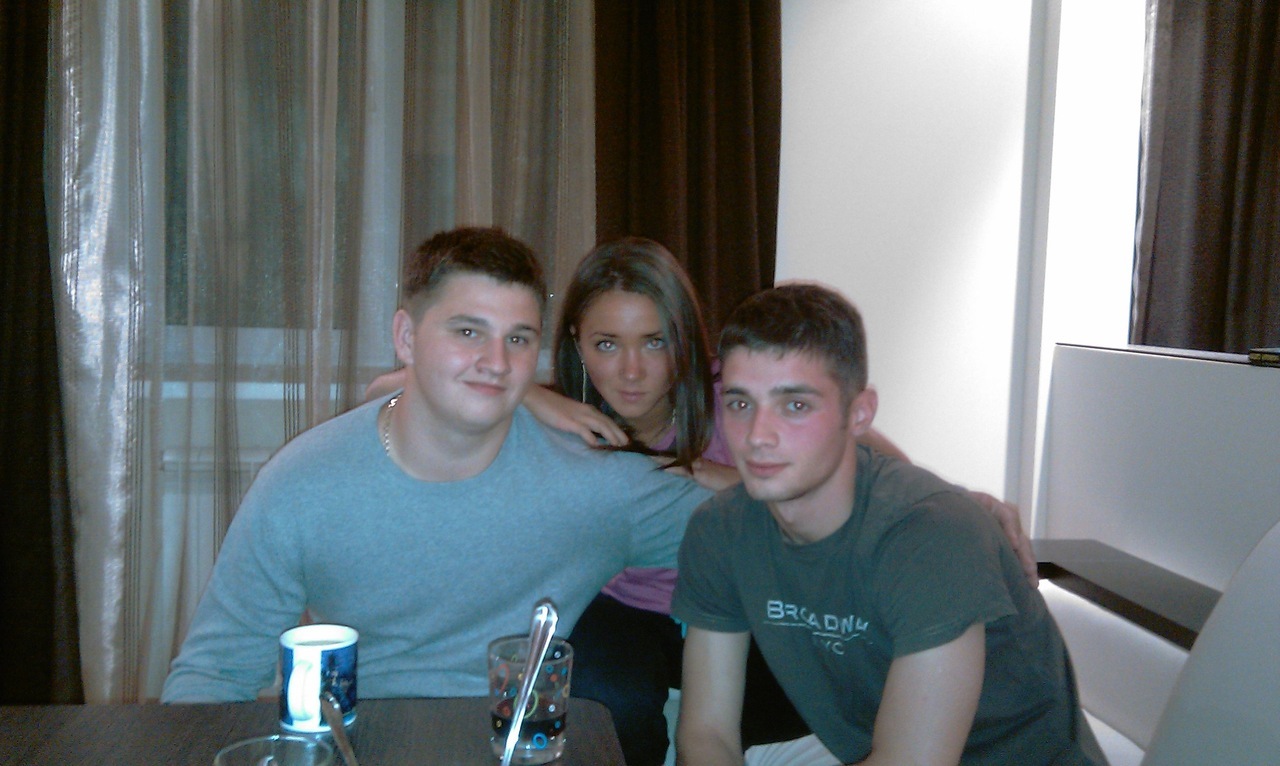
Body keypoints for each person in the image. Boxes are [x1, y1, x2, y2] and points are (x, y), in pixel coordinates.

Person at [160, 227, 714, 703]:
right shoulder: (302, 483)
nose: (496, 362)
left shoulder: (595, 485)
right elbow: (214, 674)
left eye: (518, 339)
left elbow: (749, 531)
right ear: (406, 338)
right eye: (468, 332)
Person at [671, 283, 1104, 765]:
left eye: (795, 405)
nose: (757, 436)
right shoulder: (720, 530)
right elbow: (707, 732)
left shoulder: (932, 538)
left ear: (859, 413)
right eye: (740, 404)